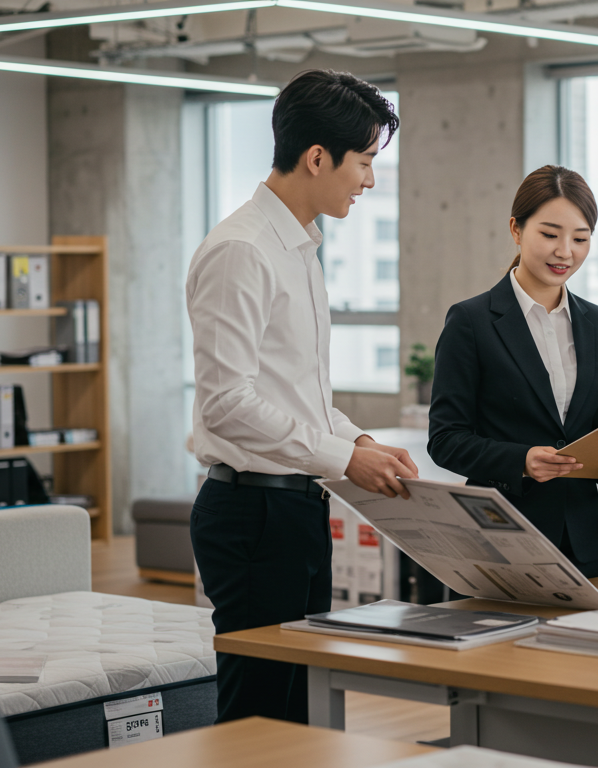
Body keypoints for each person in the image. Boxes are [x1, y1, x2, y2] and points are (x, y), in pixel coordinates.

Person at [186, 69, 420, 725]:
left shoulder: (301, 249)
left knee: (301, 713)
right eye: (364, 161)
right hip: (252, 512)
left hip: (294, 508)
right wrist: (344, 460)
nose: (369, 180)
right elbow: (227, 403)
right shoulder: (242, 251)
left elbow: (297, 393)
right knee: (260, 716)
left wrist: (357, 441)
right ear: (317, 157)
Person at [428, 166, 598, 578]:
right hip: (500, 538)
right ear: (516, 230)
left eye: (580, 239)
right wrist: (521, 461)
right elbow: (445, 440)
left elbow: (597, 431)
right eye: (549, 234)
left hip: (580, 546)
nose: (565, 252)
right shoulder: (471, 321)